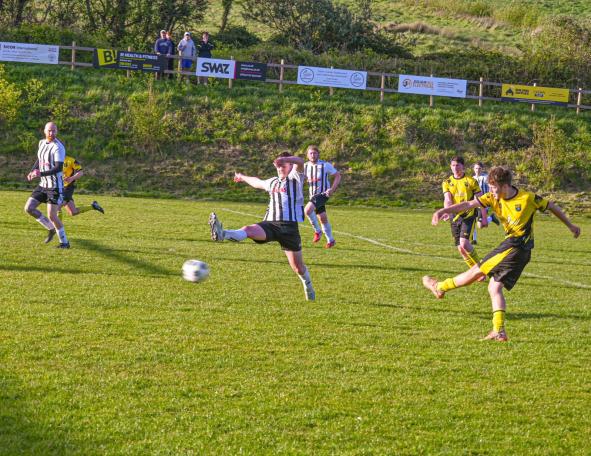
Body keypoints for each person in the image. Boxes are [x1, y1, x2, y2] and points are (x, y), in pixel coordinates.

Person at [422, 166, 581, 341]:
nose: (491, 191)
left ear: (505, 186)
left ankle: (440, 287)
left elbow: (551, 206)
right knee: (494, 287)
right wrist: (443, 210)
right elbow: (468, 204)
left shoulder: (527, 198)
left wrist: (571, 225)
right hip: (521, 251)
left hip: (515, 246)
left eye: (493, 187)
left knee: (476, 271)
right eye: (490, 187)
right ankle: (499, 330)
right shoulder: (492, 197)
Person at [208, 152, 315, 301]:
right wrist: (241, 176)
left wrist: (286, 159)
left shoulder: (295, 178)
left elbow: (300, 161)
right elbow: (257, 182)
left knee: (298, 268)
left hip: (289, 229)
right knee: (248, 230)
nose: (281, 168)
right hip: (270, 224)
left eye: (284, 165)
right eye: (278, 166)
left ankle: (308, 287)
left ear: (291, 166)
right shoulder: (272, 182)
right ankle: (222, 233)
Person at [24, 122, 70, 248]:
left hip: (54, 186)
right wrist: (33, 171)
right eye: (49, 130)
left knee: (52, 215)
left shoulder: (58, 147)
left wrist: (40, 173)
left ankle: (64, 243)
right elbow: (40, 159)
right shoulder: (41, 143)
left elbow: (58, 168)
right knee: (29, 208)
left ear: (57, 131)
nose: (51, 133)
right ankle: (51, 228)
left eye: (54, 131)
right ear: (44, 131)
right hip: (43, 185)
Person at [441, 156, 487, 270]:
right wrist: (446, 211)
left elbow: (481, 200)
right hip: (454, 217)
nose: (455, 168)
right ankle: (475, 271)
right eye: (453, 165)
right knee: (460, 248)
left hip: (468, 216)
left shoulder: (471, 181)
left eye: (458, 165)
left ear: (463, 166)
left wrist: (484, 217)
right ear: (450, 167)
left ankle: (481, 268)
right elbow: (447, 199)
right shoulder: (447, 182)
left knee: (464, 243)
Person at [303, 145, 341, 248]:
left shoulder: (325, 165)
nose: (313, 155)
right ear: (307, 155)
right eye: (311, 153)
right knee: (322, 217)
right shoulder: (305, 166)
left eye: (315, 153)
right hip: (312, 195)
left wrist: (332, 189)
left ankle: (318, 231)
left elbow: (337, 176)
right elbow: (301, 178)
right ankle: (331, 240)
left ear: (318, 154)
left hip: (323, 194)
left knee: (307, 210)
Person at [471, 161, 499, 244]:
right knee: (471, 220)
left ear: (482, 169)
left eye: (479, 168)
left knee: (480, 225)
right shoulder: (472, 178)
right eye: (476, 168)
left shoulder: (486, 177)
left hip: (483, 203)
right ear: (473, 169)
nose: (477, 170)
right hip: (473, 202)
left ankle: (491, 218)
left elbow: (492, 187)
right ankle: (474, 239)